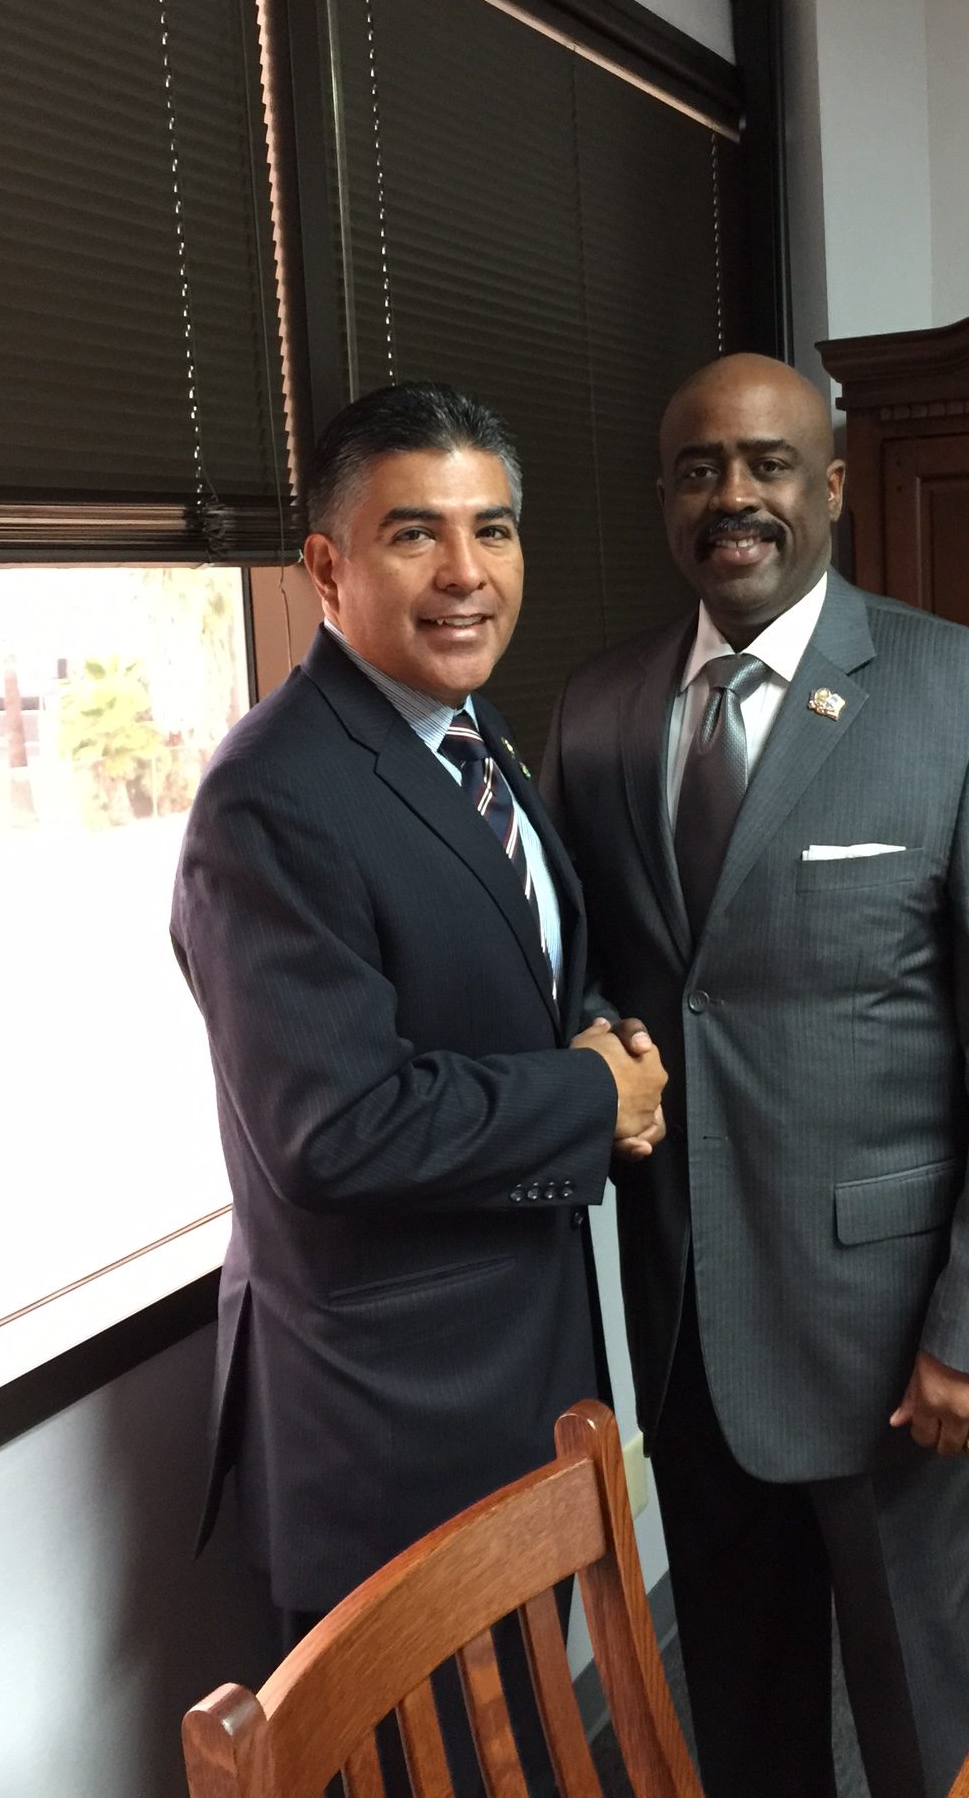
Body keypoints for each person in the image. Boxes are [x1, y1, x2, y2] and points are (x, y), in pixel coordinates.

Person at [542, 352, 969, 1798]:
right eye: (699, 469)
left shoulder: (967, 696)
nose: (733, 495)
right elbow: (590, 968)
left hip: (898, 1343)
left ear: (832, 487)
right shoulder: (596, 713)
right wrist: (595, 1052)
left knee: (928, 1722)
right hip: (688, 1328)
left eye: (769, 463)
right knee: (744, 1713)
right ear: (665, 498)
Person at [171, 380, 666, 1791]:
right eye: (415, 534)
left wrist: (608, 1045)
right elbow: (334, 1130)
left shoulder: (466, 734)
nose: (466, 572)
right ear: (327, 567)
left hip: (517, 1376)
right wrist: (592, 1103)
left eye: (492, 529)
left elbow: (521, 972)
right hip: (387, 1418)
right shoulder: (271, 797)